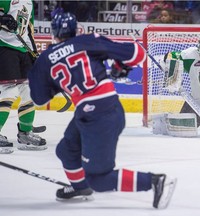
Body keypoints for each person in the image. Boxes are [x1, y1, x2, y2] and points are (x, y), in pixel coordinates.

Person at [28, 12, 177, 209]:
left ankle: (156, 181)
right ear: (76, 30)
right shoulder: (88, 41)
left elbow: (39, 98)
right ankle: (80, 187)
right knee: (66, 150)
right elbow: (137, 54)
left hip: (98, 115)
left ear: (53, 34)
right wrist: (118, 66)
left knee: (98, 179)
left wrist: (53, 81)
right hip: (104, 109)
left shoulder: (46, 58)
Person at [0, 0, 47, 153]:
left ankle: (25, 133)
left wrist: (33, 52)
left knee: (29, 90)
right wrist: (2, 19)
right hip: (4, 48)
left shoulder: (30, 3)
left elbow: (28, 30)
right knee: (9, 91)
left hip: (23, 50)